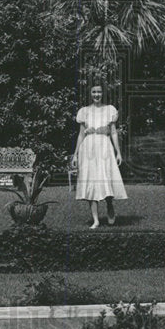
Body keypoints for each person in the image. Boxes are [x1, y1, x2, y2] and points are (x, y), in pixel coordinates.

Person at [72, 82, 127, 228]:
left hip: (104, 147)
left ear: (102, 94)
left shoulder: (109, 110)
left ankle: (109, 206)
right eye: (94, 92)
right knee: (91, 182)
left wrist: (118, 152)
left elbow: (114, 133)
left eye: (99, 92)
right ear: (90, 94)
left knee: (105, 178)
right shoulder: (84, 111)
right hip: (88, 149)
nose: (96, 94)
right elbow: (80, 134)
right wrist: (75, 154)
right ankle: (95, 219)